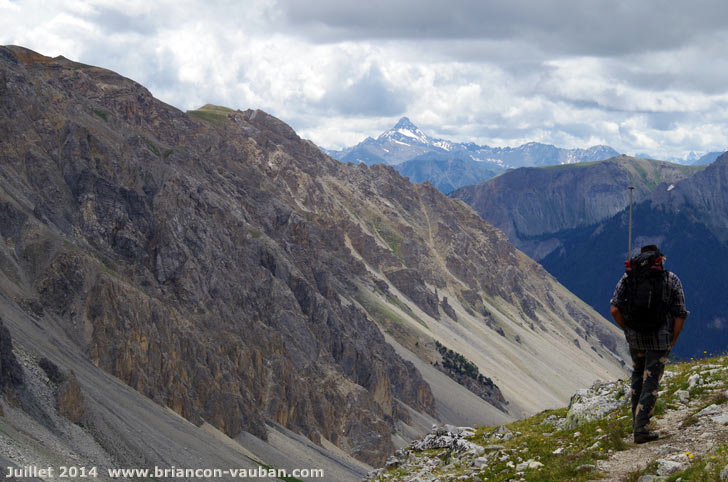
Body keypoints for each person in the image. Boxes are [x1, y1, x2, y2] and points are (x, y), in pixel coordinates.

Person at [610, 244, 688, 444]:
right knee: (651, 380)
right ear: (660, 259)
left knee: (637, 375)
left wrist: (627, 329)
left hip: (635, 338)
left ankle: (637, 423)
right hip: (660, 338)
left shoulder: (629, 278)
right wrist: (672, 339)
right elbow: (680, 314)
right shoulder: (671, 279)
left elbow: (614, 309)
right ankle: (642, 429)